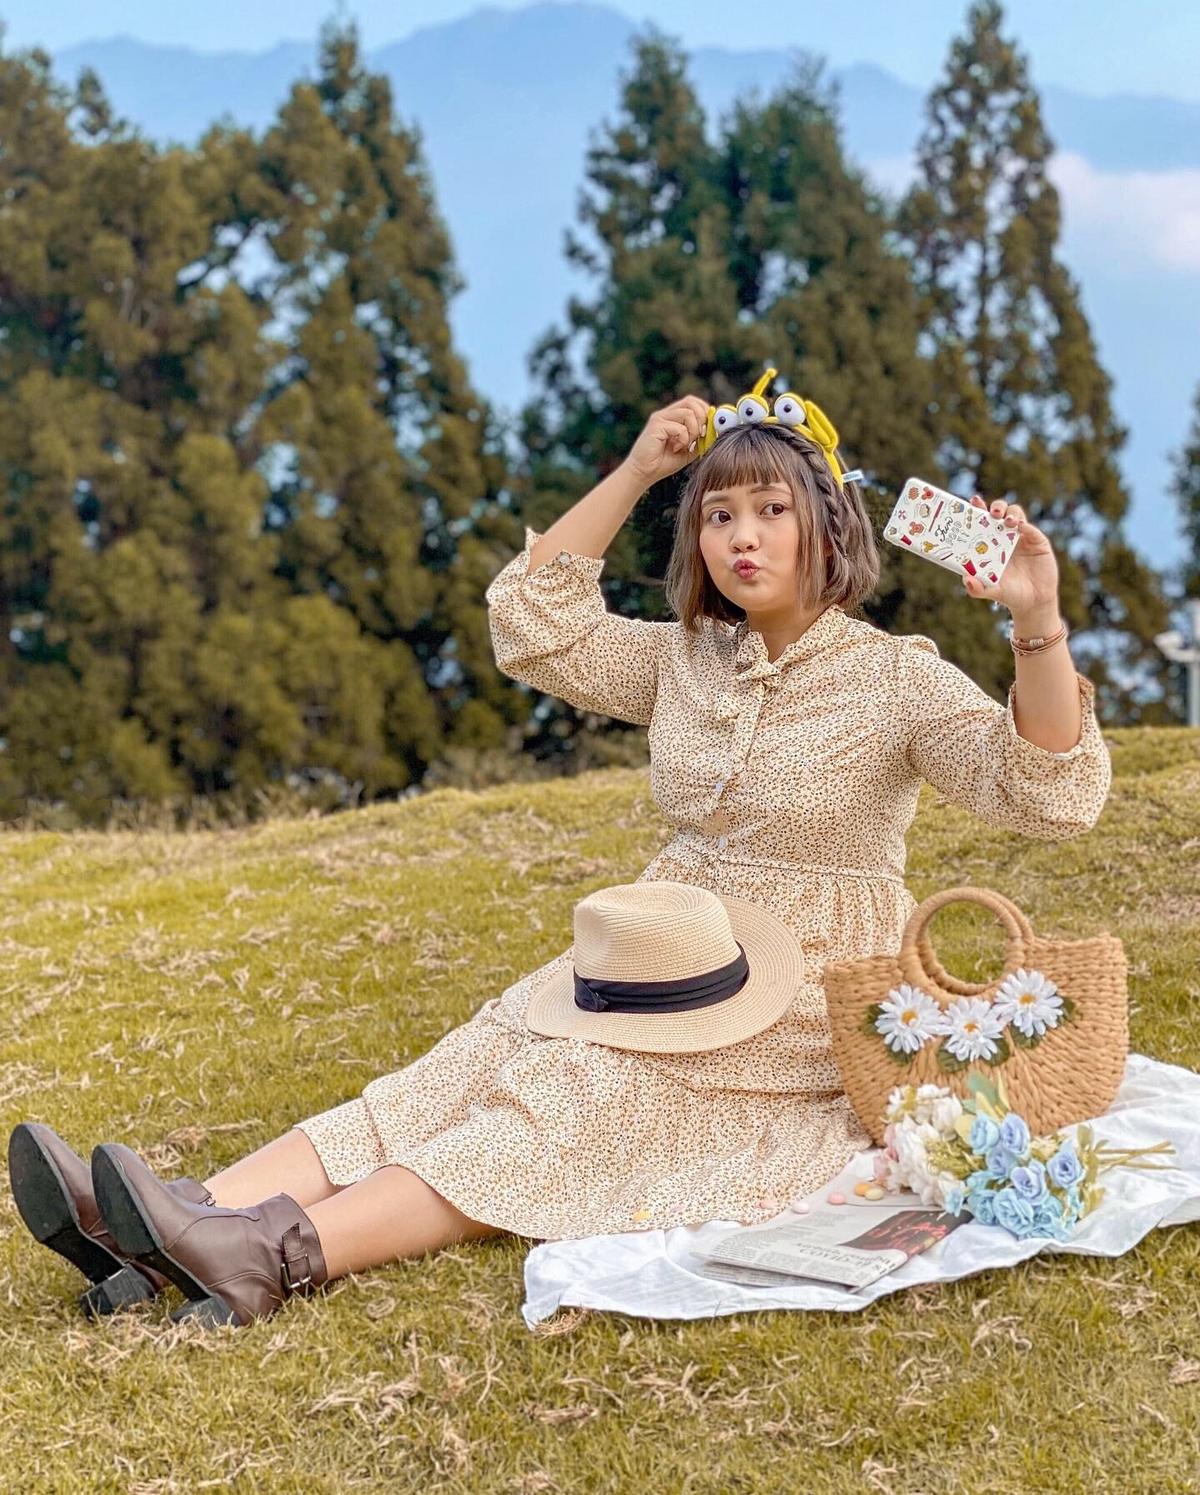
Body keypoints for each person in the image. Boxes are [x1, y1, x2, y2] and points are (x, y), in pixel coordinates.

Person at [7, 390, 1112, 1328]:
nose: (743, 536)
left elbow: (1047, 791)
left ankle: (272, 1253)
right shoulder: (685, 660)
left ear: (829, 522)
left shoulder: (896, 676)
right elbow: (534, 625)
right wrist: (637, 470)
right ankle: (166, 1223)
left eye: (773, 510)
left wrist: (1037, 622)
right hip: (664, 953)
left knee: (561, 1098)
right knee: (469, 1062)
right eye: (718, 513)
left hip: (797, 996)